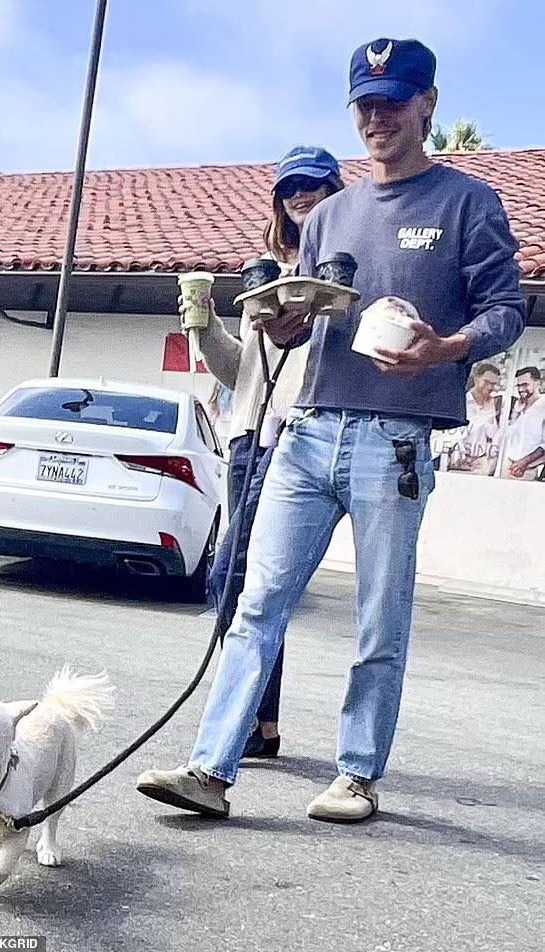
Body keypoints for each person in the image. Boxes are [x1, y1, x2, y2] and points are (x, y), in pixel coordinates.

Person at [136, 37, 525, 823]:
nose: (377, 118)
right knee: (257, 601)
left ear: (427, 104)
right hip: (307, 431)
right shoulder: (332, 215)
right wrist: (281, 324)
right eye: (365, 105)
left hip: (396, 440)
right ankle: (210, 769)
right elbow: (303, 325)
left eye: (393, 102)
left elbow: (507, 310)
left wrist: (447, 347)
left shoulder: (467, 203)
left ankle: (356, 775)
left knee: (379, 616)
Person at [195, 146, 343, 758]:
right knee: (255, 584)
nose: (299, 194)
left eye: (312, 184)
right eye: (289, 187)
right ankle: (261, 723)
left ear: (334, 190)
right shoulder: (266, 273)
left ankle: (244, 718)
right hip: (248, 439)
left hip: (296, 437)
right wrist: (203, 326)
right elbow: (242, 372)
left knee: (230, 576)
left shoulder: (338, 276)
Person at [447, 362, 502, 474]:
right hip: (457, 459)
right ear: (476, 378)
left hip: (479, 461)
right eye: (486, 382)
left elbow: (492, 434)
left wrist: (490, 412)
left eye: (493, 384)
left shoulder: (491, 405)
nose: (489, 387)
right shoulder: (462, 401)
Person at [501, 367, 545, 480]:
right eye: (518, 386)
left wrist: (524, 462)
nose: (521, 389)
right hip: (509, 465)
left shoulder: (543, 405)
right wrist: (516, 412)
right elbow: (507, 434)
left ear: (538, 383)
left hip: (530, 469)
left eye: (525, 384)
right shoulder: (517, 405)